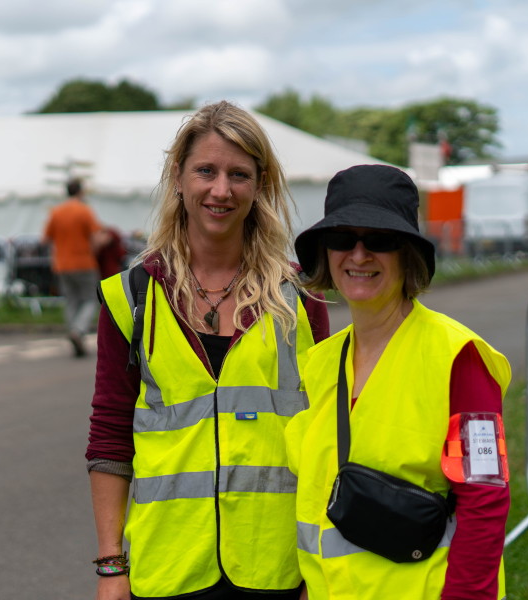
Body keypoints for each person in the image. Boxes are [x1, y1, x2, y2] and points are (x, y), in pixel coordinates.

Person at [86, 101, 331, 600]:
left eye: (239, 174)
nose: (221, 190)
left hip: (276, 566)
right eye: (206, 171)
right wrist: (112, 566)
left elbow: (326, 440)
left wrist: (319, 567)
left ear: (259, 186)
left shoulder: (299, 300)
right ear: (177, 177)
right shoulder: (132, 297)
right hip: (170, 565)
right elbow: (111, 434)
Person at [286, 164, 511, 599]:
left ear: (407, 252)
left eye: (380, 240)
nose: (358, 255)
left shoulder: (458, 357)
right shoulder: (320, 362)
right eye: (341, 239)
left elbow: (485, 499)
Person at [42, 178, 106, 357]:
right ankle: (78, 331)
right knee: (89, 299)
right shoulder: (84, 211)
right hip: (84, 262)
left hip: (62, 263)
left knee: (71, 300)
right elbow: (96, 237)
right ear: (81, 191)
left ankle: (73, 332)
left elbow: (45, 239)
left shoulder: (56, 212)